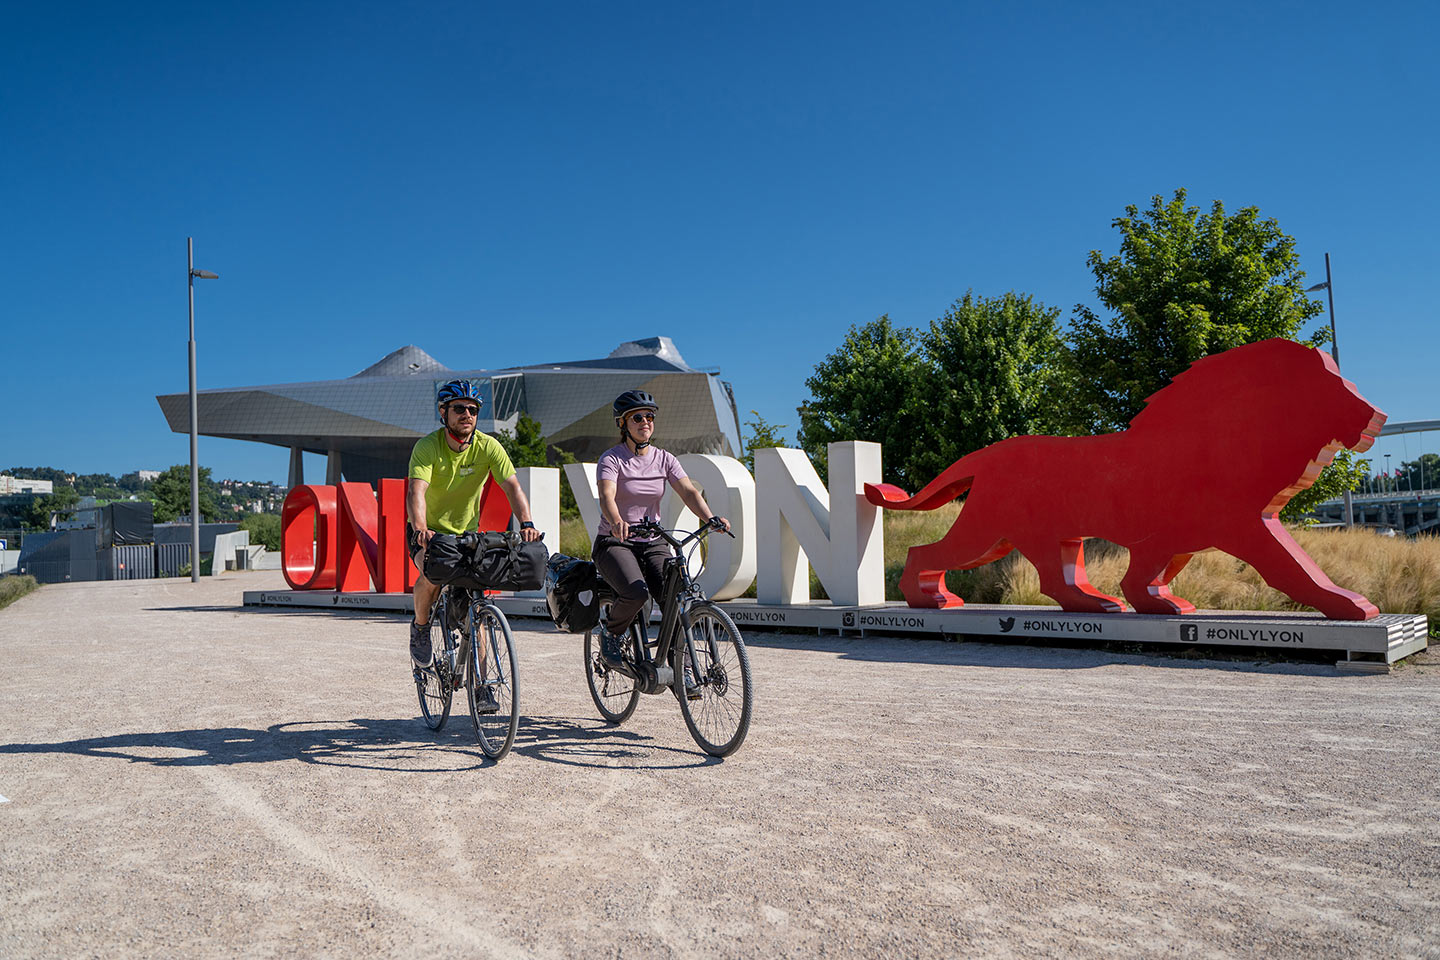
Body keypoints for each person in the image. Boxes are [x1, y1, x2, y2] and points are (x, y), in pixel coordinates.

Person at [407, 380, 542, 682]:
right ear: (443, 413)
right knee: (430, 574)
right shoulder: (428, 447)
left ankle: (483, 684)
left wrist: (528, 524)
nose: (466, 414)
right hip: (429, 532)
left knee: (476, 607)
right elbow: (416, 492)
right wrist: (420, 529)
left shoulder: (488, 446)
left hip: (466, 534)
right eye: (459, 409)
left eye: (472, 409)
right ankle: (420, 627)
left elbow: (513, 487)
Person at [593, 390, 729, 688]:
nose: (646, 422)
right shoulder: (612, 459)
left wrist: (710, 518)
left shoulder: (664, 458)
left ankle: (681, 666)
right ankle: (611, 634)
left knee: (674, 597)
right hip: (616, 542)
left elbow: (689, 491)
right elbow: (607, 495)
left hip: (652, 540)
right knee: (637, 594)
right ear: (623, 423)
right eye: (638, 417)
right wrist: (616, 521)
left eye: (650, 417)